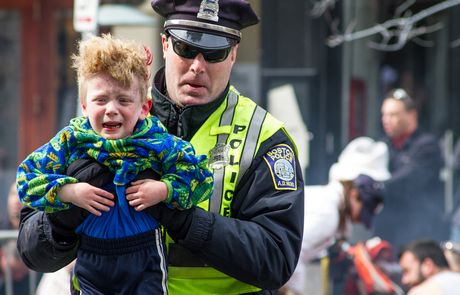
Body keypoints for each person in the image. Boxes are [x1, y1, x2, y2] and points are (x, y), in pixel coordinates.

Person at [16, 1, 305, 294]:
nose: (197, 66)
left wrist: (184, 219)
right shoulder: (102, 123)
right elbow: (32, 253)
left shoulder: (264, 139)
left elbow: (277, 260)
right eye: (186, 48)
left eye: (215, 53)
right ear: (165, 44)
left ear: (233, 55)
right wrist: (67, 213)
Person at [16, 34, 214, 294]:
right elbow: (26, 177)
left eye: (123, 100)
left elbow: (202, 177)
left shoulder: (157, 141)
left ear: (145, 107)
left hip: (145, 255)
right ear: (85, 107)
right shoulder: (71, 141)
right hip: (91, 257)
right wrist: (69, 191)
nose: (111, 109)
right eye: (101, 100)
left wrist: (164, 190)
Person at [280, 137, 391, 295]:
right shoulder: (328, 214)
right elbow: (292, 254)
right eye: (363, 206)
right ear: (353, 193)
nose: (360, 218)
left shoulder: (329, 208)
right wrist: (293, 291)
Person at [374, 88, 448, 250]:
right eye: (384, 115)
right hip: (388, 233)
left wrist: (376, 185)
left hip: (419, 235)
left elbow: (406, 179)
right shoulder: (383, 146)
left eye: (393, 115)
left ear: (412, 115)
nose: (386, 120)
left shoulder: (427, 146)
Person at [0, 183, 36, 295]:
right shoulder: (1, 226)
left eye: (21, 194)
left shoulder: (38, 226)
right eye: (13, 194)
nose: (16, 200)